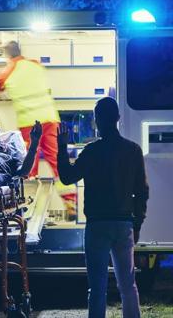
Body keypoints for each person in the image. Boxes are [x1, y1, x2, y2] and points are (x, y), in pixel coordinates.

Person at [56, 97, 147, 318]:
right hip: (124, 223)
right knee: (128, 285)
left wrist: (61, 147)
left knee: (97, 289)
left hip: (97, 225)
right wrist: (137, 224)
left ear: (97, 120)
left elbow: (67, 177)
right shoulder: (133, 150)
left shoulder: (91, 151)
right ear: (117, 118)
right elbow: (142, 192)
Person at [0, 41, 60, 179]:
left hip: (29, 121)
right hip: (49, 117)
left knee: (30, 161)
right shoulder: (35, 64)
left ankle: (31, 192)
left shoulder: (7, 71)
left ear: (7, 54)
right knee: (56, 161)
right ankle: (69, 198)